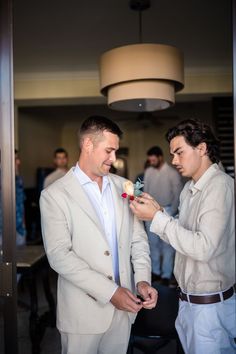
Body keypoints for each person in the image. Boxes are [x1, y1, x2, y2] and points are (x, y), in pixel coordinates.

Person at [40, 115, 157, 354]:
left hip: (124, 313)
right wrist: (111, 292)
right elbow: (60, 256)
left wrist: (142, 279)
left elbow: (138, 239)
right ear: (88, 145)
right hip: (82, 315)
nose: (114, 159)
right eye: (109, 151)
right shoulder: (54, 195)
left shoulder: (125, 186)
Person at [130, 119, 236, 354]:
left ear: (201, 148)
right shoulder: (190, 189)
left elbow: (203, 247)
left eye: (179, 152)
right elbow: (184, 233)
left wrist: (158, 217)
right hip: (189, 302)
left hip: (210, 309)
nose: (174, 160)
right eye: (172, 154)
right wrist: (158, 212)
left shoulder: (219, 186)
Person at [144, 146, 183, 285]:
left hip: (167, 211)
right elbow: (145, 192)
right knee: (152, 244)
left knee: (167, 245)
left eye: (153, 160)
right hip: (150, 212)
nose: (152, 162)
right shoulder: (148, 172)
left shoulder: (172, 173)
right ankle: (156, 272)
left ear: (160, 157)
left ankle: (166, 274)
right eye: (150, 160)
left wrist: (170, 213)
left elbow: (178, 194)